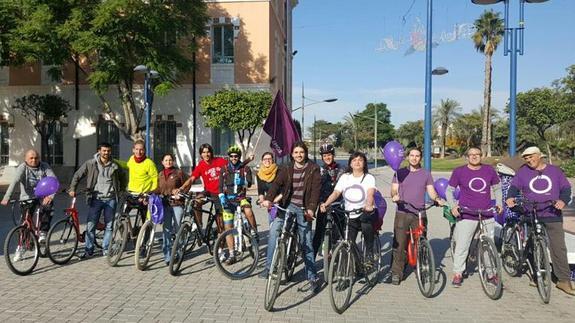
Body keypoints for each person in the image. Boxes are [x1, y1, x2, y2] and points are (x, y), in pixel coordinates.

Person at [506, 146, 575, 295]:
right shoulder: (523, 171)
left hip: (552, 212)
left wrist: (563, 201)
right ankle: (537, 275)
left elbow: (566, 189)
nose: (529, 160)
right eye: (526, 158)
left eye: (531, 156)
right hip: (531, 211)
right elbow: (514, 187)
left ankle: (563, 280)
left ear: (539, 156)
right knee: (532, 244)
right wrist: (510, 197)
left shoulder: (555, 171)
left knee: (558, 247)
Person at [261, 141, 321, 293]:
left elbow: (315, 191)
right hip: (286, 206)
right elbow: (276, 184)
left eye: (301, 152)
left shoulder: (313, 169)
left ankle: (312, 276)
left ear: (305, 153)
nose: (299, 155)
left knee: (306, 241)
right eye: (296, 152)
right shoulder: (286, 167)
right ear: (292, 154)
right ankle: (269, 268)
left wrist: (312, 209)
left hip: (304, 209)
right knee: (274, 231)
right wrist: (269, 198)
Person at [446, 147, 502, 287]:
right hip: (467, 213)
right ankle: (458, 273)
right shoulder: (459, 171)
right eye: (471, 155)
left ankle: (491, 274)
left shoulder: (489, 170)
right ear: (467, 157)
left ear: (481, 156)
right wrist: (453, 206)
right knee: (462, 245)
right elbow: (449, 190)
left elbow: (497, 188)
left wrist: (500, 203)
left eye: (477, 154)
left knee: (489, 246)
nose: (474, 157)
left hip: (487, 213)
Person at [389, 147, 443, 285]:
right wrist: (394, 196)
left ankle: (422, 267)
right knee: (400, 244)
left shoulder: (426, 174)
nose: (414, 158)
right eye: (412, 155)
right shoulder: (399, 173)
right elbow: (394, 189)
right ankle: (396, 272)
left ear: (421, 158)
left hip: (419, 213)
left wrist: (436, 199)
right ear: (407, 157)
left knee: (421, 242)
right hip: (403, 212)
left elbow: (431, 191)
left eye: (417, 156)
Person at [320, 151, 377, 269]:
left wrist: (368, 205)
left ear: (364, 163)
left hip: (364, 212)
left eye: (360, 160)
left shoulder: (368, 177)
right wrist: (326, 203)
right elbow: (336, 193)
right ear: (350, 163)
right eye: (354, 160)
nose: (357, 162)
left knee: (366, 224)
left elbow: (370, 193)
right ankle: (351, 272)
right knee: (348, 243)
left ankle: (370, 253)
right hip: (349, 214)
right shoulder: (345, 177)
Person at [69, 143, 124, 258]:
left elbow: (123, 177)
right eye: (104, 151)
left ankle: (105, 249)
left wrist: (121, 191)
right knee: (91, 225)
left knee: (109, 226)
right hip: (96, 199)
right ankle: (89, 250)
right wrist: (72, 189)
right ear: (99, 151)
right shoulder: (91, 163)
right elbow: (77, 175)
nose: (106, 153)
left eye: (108, 151)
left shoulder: (115, 165)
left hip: (111, 199)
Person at [1, 149, 57, 243]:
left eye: (36, 158)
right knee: (24, 223)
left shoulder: (45, 166)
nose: (34, 160)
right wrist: (6, 197)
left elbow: (54, 181)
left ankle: (43, 232)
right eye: (31, 158)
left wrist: (50, 196)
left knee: (48, 207)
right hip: (27, 198)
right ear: (25, 159)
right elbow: (14, 182)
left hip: (42, 196)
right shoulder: (22, 168)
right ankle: (22, 245)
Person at [218, 145, 257, 264]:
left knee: (249, 211)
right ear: (229, 157)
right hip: (228, 200)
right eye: (232, 156)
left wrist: (243, 181)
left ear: (239, 157)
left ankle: (254, 231)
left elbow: (249, 183)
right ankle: (231, 254)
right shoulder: (224, 169)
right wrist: (221, 196)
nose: (234, 158)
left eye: (236, 156)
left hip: (241, 198)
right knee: (228, 227)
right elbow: (220, 186)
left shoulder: (245, 169)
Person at [312, 143, 344, 259]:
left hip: (338, 204)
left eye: (329, 155)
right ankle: (311, 264)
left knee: (342, 233)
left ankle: (347, 260)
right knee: (318, 233)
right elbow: (316, 188)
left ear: (333, 155)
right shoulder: (319, 170)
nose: (327, 158)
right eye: (324, 156)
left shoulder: (342, 169)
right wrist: (320, 203)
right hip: (323, 205)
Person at [154, 153, 187, 265]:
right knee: (166, 230)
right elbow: (159, 188)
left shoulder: (179, 173)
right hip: (165, 205)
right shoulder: (160, 174)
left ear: (173, 161)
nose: (168, 162)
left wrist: (181, 192)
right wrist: (151, 193)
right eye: (166, 160)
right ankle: (167, 255)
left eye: (170, 160)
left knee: (178, 230)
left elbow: (187, 184)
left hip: (177, 204)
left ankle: (179, 252)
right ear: (162, 162)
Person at [126, 140, 158, 226]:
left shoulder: (149, 163)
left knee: (145, 220)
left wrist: (150, 193)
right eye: (136, 149)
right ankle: (126, 234)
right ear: (133, 150)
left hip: (143, 194)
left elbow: (155, 179)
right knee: (123, 216)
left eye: (141, 149)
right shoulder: (131, 159)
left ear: (144, 150)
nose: (138, 152)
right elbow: (127, 166)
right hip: (131, 192)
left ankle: (145, 236)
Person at [256, 152, 280, 223]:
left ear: (273, 160)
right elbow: (260, 190)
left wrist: (276, 200)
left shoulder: (279, 171)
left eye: (269, 159)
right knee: (272, 221)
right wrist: (261, 200)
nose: (267, 161)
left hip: (281, 200)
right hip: (270, 203)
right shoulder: (260, 174)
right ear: (262, 161)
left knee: (280, 223)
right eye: (265, 159)